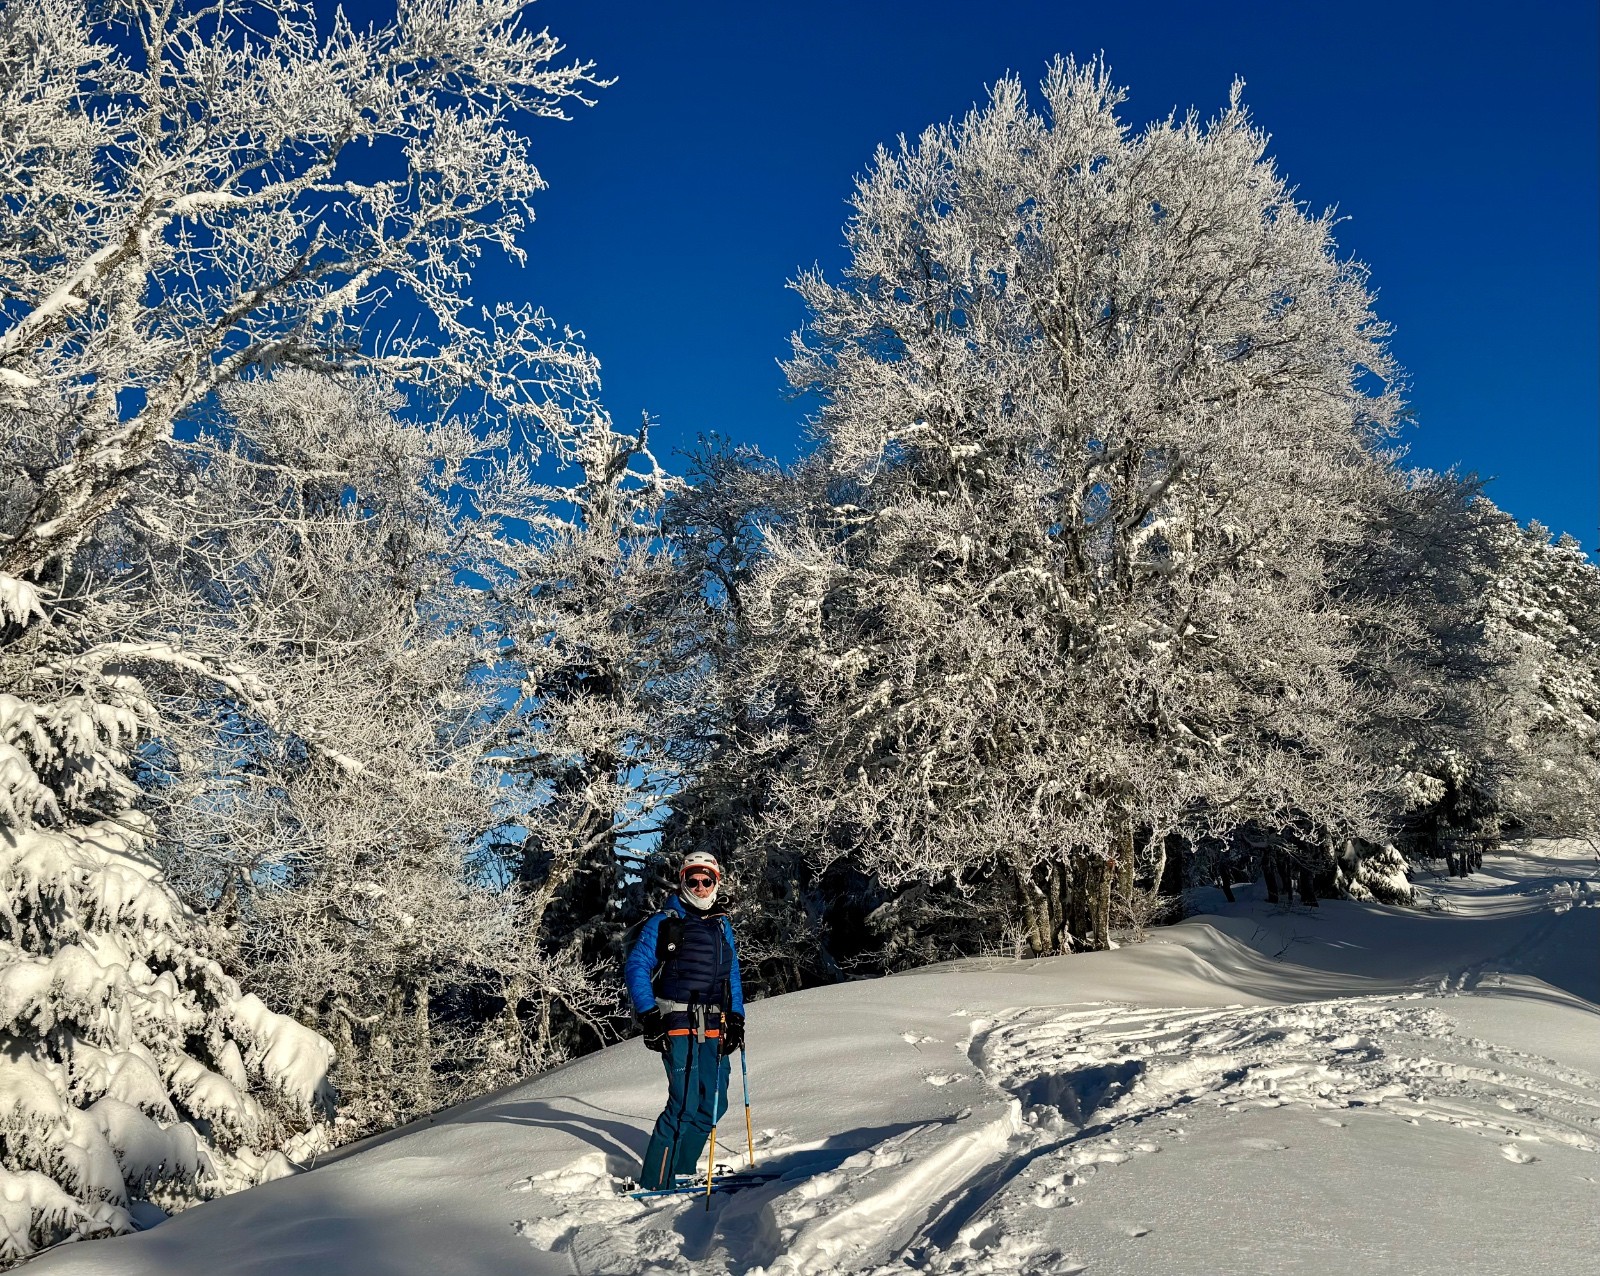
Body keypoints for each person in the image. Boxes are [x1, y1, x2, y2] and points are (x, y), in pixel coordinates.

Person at [623, 851, 746, 1190]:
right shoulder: (665, 922)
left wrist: (736, 1018)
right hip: (677, 1020)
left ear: (716, 882)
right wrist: (649, 1015)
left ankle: (681, 1169)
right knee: (684, 1104)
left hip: (714, 1024)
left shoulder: (721, 923)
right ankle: (656, 1180)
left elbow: (731, 974)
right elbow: (636, 967)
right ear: (683, 881)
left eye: (707, 880)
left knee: (714, 1102)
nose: (700, 886)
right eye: (693, 879)